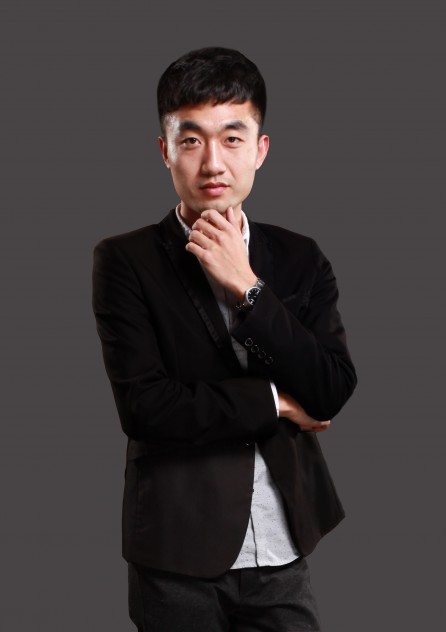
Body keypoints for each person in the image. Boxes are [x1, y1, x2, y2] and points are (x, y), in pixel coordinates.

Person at [92, 47, 357, 632]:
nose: (213, 162)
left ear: (260, 149)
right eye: (191, 140)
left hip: (283, 545)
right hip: (176, 551)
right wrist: (276, 403)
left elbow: (332, 388)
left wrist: (249, 289)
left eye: (233, 138)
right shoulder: (125, 261)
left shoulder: (300, 256)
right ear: (165, 151)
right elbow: (146, 407)